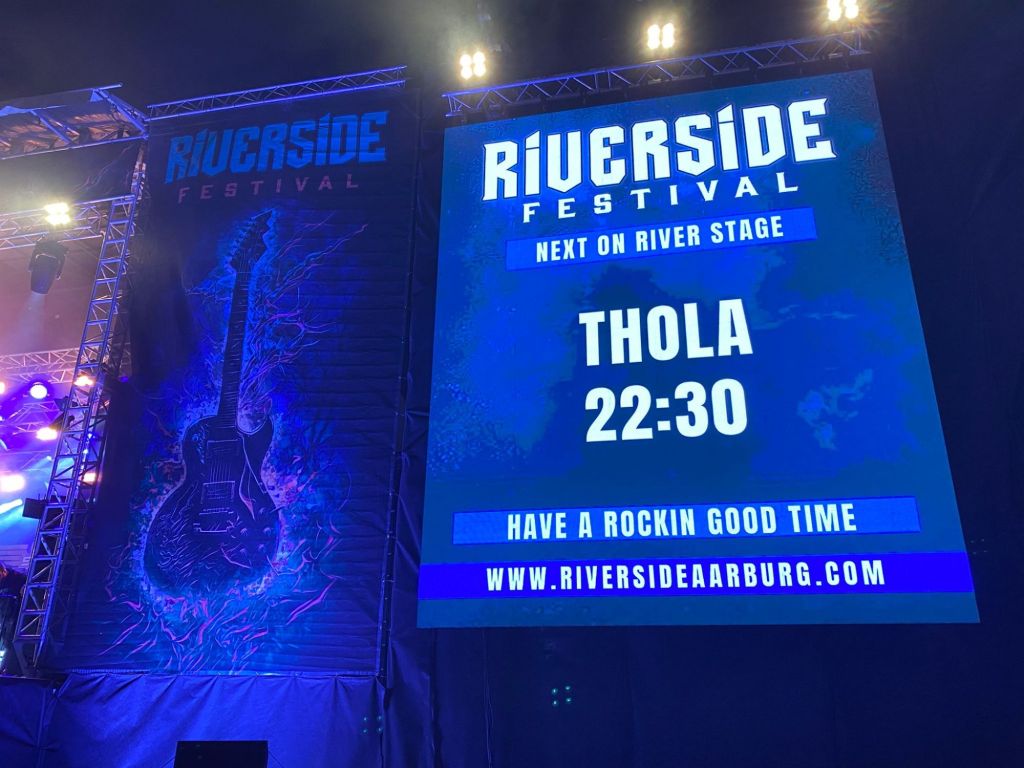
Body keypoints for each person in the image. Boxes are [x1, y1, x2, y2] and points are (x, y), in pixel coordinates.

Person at [0, 560, 27, 675]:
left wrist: (25, 587)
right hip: (3, 615)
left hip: (14, 616)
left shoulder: (18, 578)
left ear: (3, 571)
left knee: (9, 641)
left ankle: (6, 667)